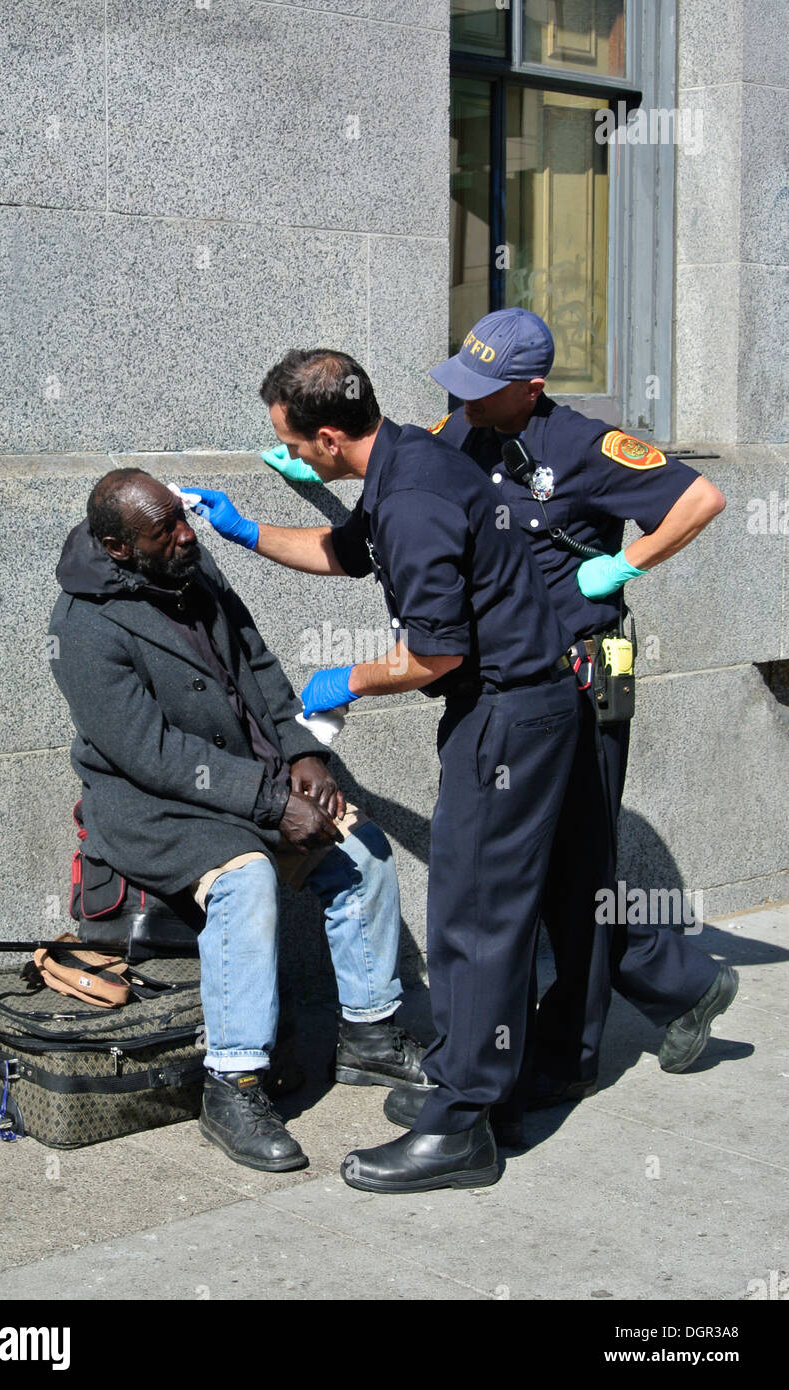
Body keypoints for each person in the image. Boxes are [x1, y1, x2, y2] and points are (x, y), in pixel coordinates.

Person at [187, 349, 582, 1194]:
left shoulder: (413, 500)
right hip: (512, 707)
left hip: (507, 718)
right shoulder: (411, 454)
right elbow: (343, 550)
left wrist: (348, 680)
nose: (291, 455)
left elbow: (436, 652)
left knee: (471, 922)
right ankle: (490, 1091)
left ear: (328, 439)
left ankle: (461, 1127)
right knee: (494, 915)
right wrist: (246, 530)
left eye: (293, 444)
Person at [47, 468, 426, 1175]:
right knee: (247, 878)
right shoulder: (82, 627)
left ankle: (370, 1038)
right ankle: (234, 1086)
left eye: (182, 520)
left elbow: (258, 666)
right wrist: (271, 802)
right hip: (157, 808)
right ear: (118, 547)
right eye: (166, 530)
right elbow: (150, 753)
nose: (188, 533)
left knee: (364, 848)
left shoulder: (194, 566)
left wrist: (304, 753)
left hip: (252, 781)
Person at [423, 308, 737, 1106]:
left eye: (484, 389)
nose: (466, 400)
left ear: (531, 389)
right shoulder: (461, 430)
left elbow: (701, 498)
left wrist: (622, 566)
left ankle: (568, 1053)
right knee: (548, 862)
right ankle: (679, 984)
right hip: (507, 687)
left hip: (583, 673)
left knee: (578, 861)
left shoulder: (585, 447)